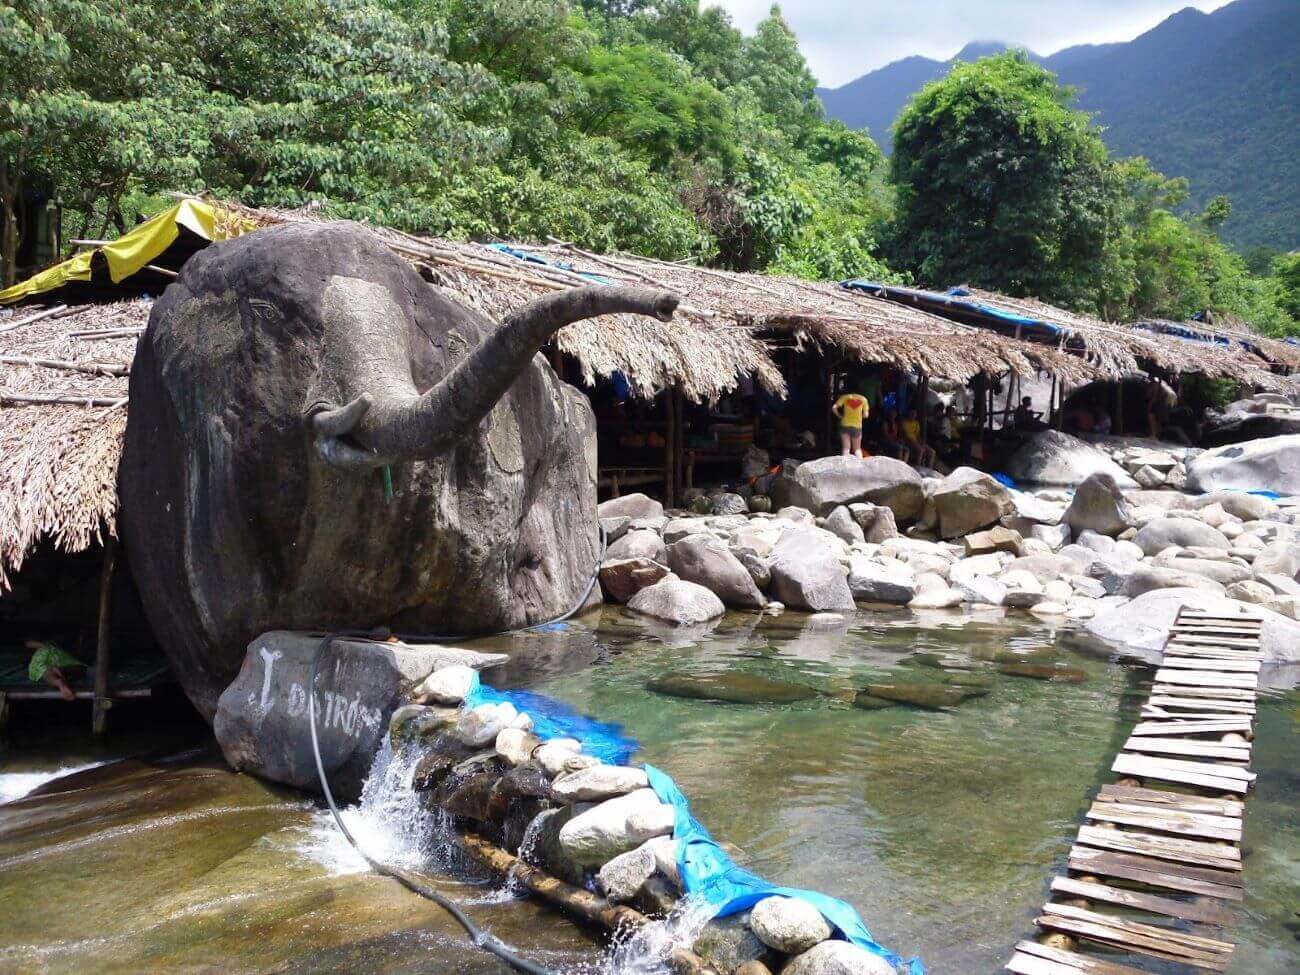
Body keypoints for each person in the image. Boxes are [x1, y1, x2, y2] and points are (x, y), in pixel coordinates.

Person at [832, 385, 870, 457]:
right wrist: (861, 416)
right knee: (857, 449)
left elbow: (834, 407)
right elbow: (866, 415)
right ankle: (860, 466)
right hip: (857, 426)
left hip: (845, 424)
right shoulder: (863, 399)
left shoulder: (845, 397)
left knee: (846, 448)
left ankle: (845, 466)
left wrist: (839, 416)